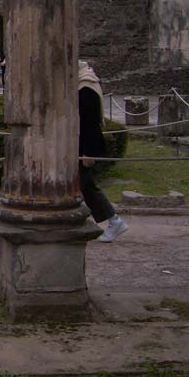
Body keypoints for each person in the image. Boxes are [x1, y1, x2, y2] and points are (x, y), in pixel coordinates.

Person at [78, 60, 127, 243]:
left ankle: (113, 221)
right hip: (77, 143)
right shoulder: (80, 83)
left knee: (82, 186)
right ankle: (113, 221)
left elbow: (90, 124)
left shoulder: (86, 87)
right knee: (85, 185)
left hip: (85, 145)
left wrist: (88, 153)